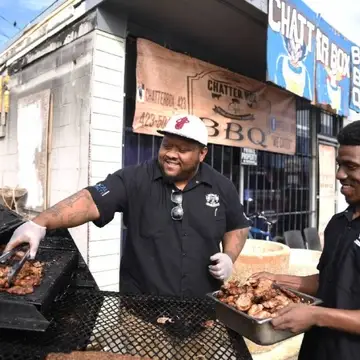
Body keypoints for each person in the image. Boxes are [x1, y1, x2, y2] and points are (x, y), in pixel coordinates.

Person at [4, 114, 249, 298]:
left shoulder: (221, 186)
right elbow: (91, 199)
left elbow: (237, 226)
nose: (171, 154)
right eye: (167, 145)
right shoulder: (134, 179)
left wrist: (229, 257)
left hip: (205, 311)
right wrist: (40, 222)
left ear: (202, 154)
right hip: (142, 314)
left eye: (183, 149)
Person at [250, 120, 360, 360]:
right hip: (317, 350)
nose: (341, 174)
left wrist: (315, 315)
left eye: (351, 166)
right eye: (340, 165)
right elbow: (330, 281)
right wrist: (278, 280)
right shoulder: (339, 224)